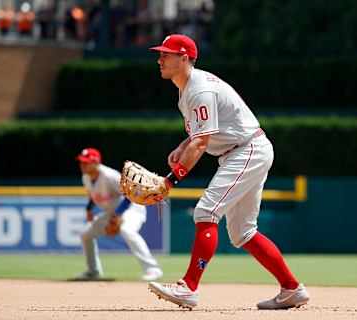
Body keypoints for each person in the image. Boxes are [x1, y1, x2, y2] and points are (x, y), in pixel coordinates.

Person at [146, 34, 310, 310]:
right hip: (244, 150)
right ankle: (292, 288)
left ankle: (188, 286)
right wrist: (182, 144)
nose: (160, 59)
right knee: (243, 232)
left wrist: (170, 180)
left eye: (166, 54)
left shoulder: (199, 89)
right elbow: (200, 134)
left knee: (206, 212)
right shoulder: (188, 89)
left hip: (246, 150)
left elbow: (201, 143)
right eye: (160, 54)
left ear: (184, 57)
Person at [75, 147, 163, 281]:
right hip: (113, 213)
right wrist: (89, 209)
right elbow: (92, 195)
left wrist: (118, 215)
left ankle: (153, 269)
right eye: (81, 162)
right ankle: (93, 271)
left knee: (127, 230)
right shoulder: (86, 177)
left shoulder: (110, 176)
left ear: (96, 163)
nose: (83, 165)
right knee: (85, 234)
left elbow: (131, 194)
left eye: (86, 162)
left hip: (132, 208)